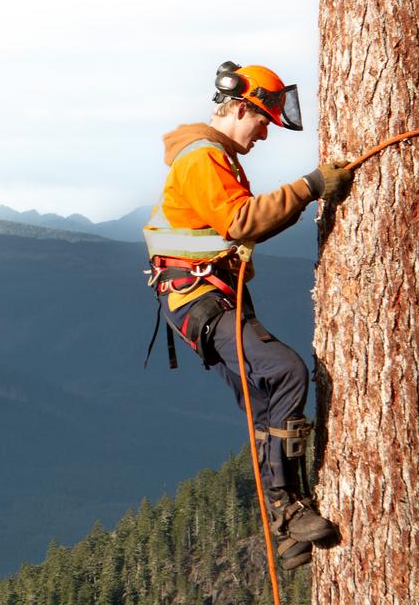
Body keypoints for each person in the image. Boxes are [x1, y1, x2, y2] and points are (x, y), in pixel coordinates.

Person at [143, 61, 351, 570]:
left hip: (202, 301)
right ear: (239, 107)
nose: (264, 134)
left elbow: (243, 225)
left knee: (265, 400)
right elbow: (241, 221)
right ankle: (288, 509)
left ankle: (287, 525)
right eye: (262, 122)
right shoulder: (203, 159)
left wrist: (301, 197)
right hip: (201, 300)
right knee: (285, 372)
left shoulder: (215, 158)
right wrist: (309, 187)